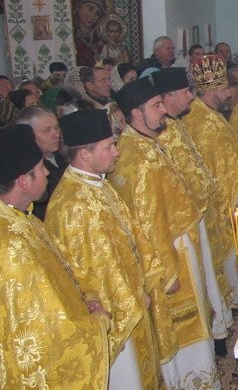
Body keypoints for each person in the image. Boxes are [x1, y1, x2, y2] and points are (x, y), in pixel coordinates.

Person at [110, 78, 220, 386]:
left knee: (195, 321)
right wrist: (169, 274)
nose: (163, 111)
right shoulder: (137, 158)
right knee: (185, 329)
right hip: (171, 252)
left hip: (181, 242)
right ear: (136, 113)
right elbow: (148, 222)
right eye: (156, 106)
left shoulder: (145, 143)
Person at [46, 108, 160, 388]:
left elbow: (129, 237)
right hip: (113, 314)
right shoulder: (72, 204)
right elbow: (92, 269)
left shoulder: (98, 186)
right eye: (109, 147)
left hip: (130, 299)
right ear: (85, 154)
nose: (117, 152)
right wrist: (132, 300)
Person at [0, 124, 110, 388]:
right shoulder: (11, 245)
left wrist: (89, 298)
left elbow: (65, 269)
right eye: (41, 168)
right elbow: (42, 329)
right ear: (24, 181)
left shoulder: (24, 219)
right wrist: (95, 323)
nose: (48, 171)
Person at [152, 66, 234, 356]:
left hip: (200, 213)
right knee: (200, 282)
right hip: (183, 223)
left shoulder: (176, 123)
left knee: (208, 276)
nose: (191, 96)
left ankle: (217, 328)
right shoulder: (162, 132)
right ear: (168, 98)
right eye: (185, 91)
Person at [181, 54, 238, 308]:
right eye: (224, 89)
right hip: (225, 202)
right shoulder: (200, 121)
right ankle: (237, 300)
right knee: (233, 252)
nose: (229, 94)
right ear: (211, 90)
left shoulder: (210, 114)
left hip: (236, 197)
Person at [16, 105, 68, 220]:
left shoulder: (63, 157)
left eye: (57, 128)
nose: (56, 134)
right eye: (46, 130)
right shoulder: (27, 171)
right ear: (28, 136)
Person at [72, 0, 107, 68]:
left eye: (97, 14)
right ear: (78, 7)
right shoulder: (71, 38)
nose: (92, 16)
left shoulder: (99, 41)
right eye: (90, 9)